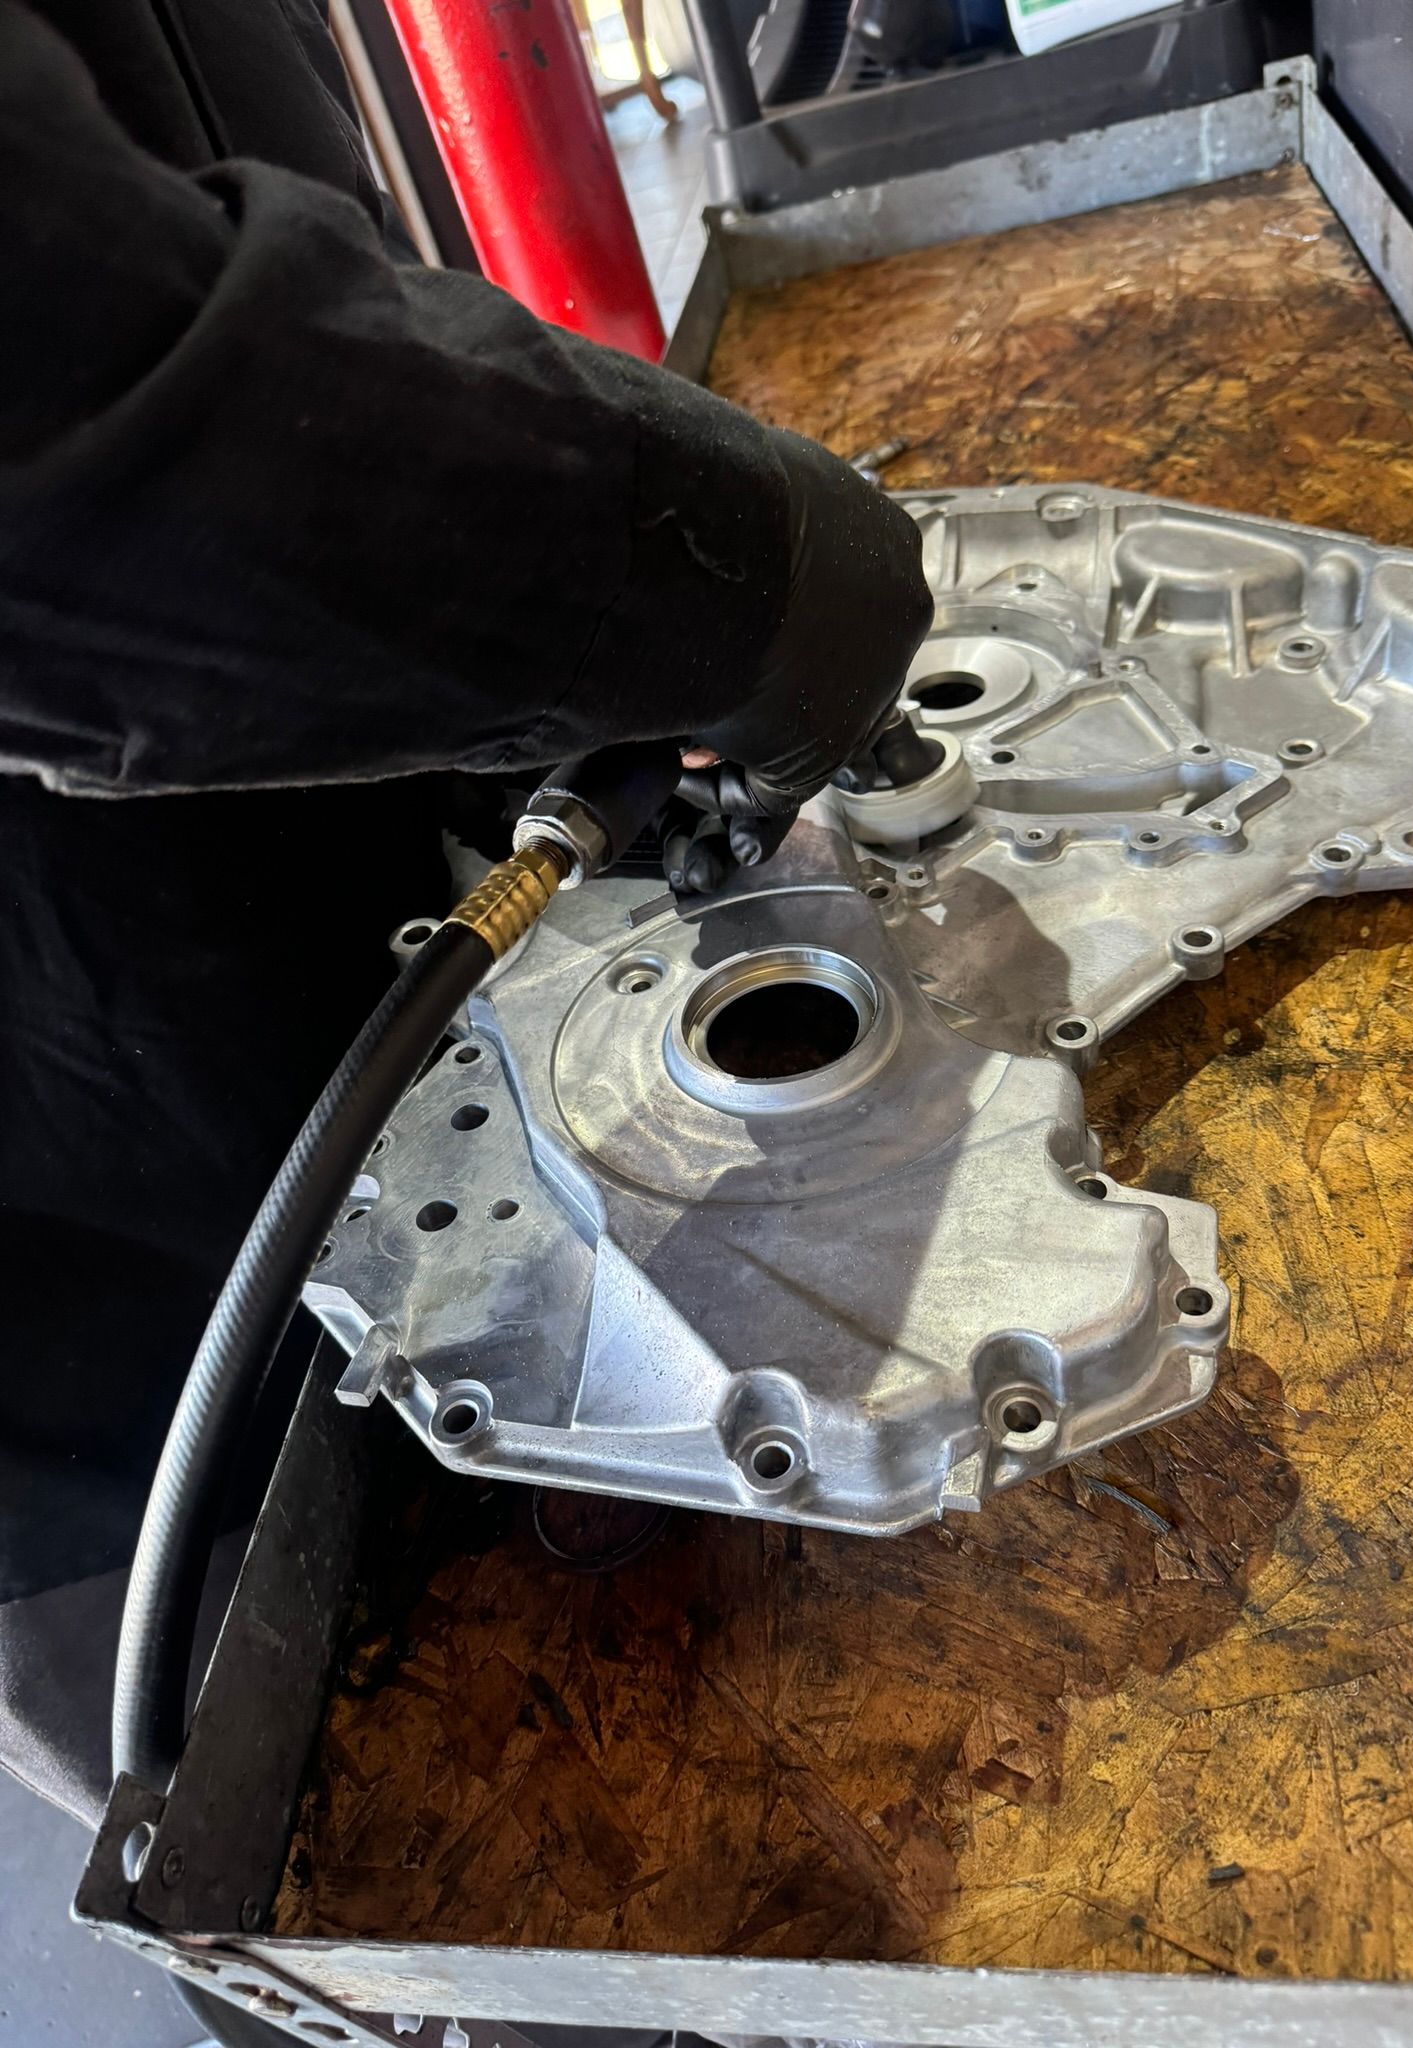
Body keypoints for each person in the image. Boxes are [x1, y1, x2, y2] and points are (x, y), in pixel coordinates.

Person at [0, 0, 931, 1828]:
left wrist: (476, 678)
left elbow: (228, 200)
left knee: (692, 1765)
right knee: (359, 1839)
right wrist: (702, 567)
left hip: (352, 1037)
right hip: (91, 1328)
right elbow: (57, 396)